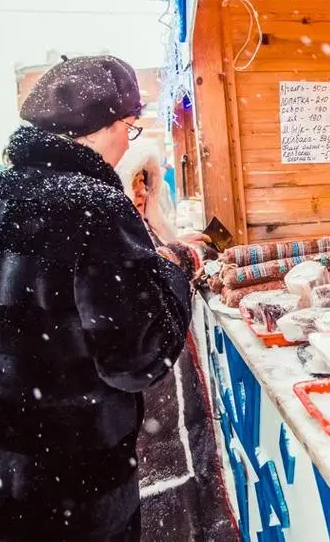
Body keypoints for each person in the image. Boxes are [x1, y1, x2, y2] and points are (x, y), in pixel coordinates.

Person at [0, 55, 197, 541]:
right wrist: (175, 274)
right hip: (72, 482)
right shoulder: (96, 208)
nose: (125, 144)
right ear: (102, 126)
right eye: (128, 128)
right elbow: (137, 356)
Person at [113, 149, 236, 541]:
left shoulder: (139, 222)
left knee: (185, 466)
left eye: (146, 183)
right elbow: (146, 277)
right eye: (135, 182)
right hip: (148, 385)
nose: (141, 191)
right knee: (162, 480)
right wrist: (186, 253)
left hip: (168, 374)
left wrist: (171, 237)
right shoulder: (111, 229)